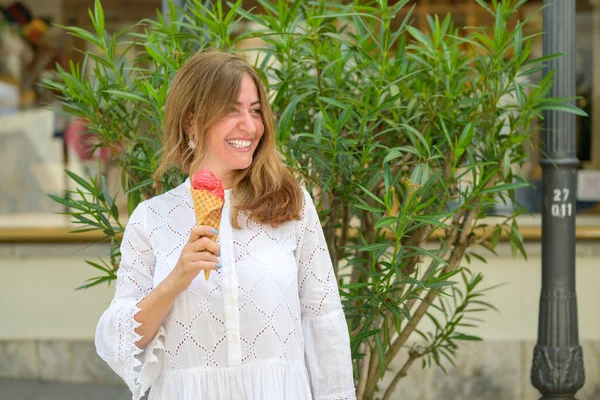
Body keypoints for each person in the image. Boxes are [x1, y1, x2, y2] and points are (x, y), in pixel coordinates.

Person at [95, 50, 356, 400]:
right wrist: (176, 280)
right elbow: (119, 341)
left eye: (255, 110)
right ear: (191, 122)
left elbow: (323, 322)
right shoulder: (152, 217)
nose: (249, 126)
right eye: (232, 110)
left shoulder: (291, 205)